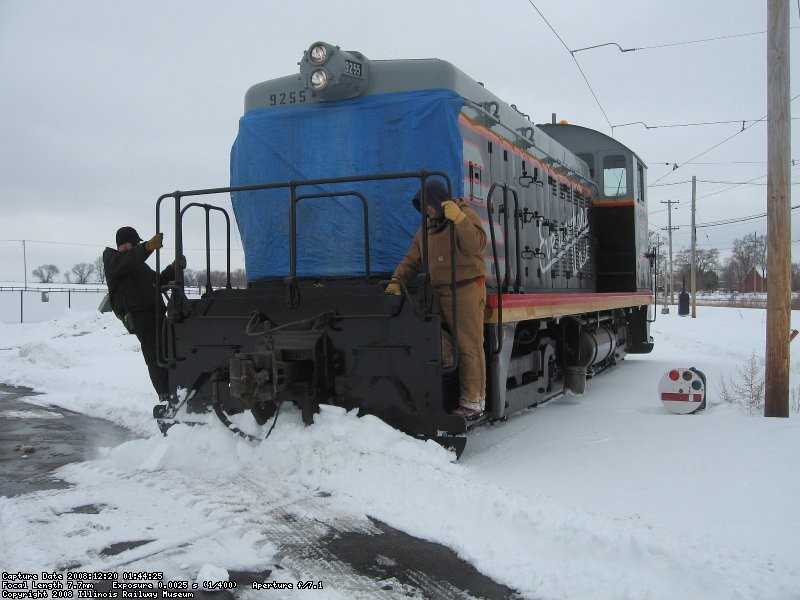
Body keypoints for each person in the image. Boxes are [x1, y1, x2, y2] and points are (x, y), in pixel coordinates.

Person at [386, 179, 488, 418]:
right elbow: (412, 259)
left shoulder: (465, 216)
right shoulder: (427, 230)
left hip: (465, 289)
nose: (426, 210)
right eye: (422, 206)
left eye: (428, 205)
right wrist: (396, 280)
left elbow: (477, 246)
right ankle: (449, 358)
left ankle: (473, 402)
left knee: (469, 345)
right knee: (429, 334)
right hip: (436, 292)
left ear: (439, 201)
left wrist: (460, 220)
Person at [103, 226, 180, 413]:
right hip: (140, 317)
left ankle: (178, 391)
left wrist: (172, 269)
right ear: (124, 244)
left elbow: (158, 282)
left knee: (170, 352)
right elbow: (128, 260)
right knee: (155, 356)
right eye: (135, 243)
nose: (137, 246)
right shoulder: (113, 260)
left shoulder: (138, 265)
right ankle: (166, 397)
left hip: (156, 314)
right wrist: (147, 247)